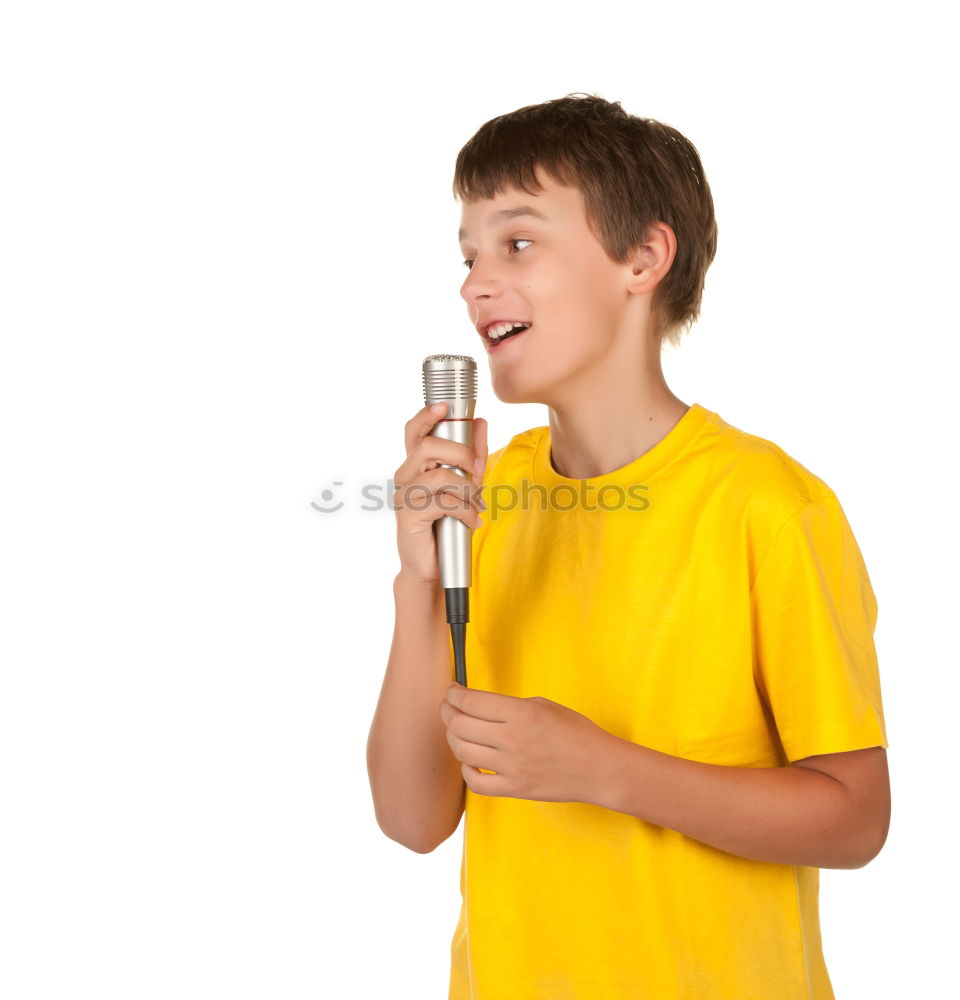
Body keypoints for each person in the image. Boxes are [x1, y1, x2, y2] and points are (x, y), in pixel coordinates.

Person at [366, 93, 890, 1000]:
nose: (473, 284)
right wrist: (419, 580)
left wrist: (604, 771)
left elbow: (854, 822)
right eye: (468, 255)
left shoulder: (766, 505)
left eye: (517, 243)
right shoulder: (493, 497)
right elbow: (413, 818)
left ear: (643, 258)